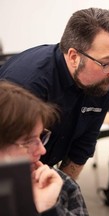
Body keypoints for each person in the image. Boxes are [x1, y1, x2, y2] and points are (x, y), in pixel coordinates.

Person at [0, 8, 109, 179]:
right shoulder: (27, 85)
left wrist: (66, 193)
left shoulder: (104, 81)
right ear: (73, 57)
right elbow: (11, 157)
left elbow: (83, 145)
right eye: (107, 63)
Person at [0, 81, 88, 215]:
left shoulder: (61, 186)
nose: (42, 150)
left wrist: (49, 209)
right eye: (28, 142)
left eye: (41, 137)